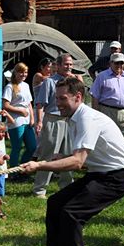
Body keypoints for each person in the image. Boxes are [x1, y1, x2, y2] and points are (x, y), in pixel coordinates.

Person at [20, 77, 124, 246]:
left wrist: (40, 165)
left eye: (63, 98)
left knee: (71, 214)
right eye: (56, 98)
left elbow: (77, 162)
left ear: (78, 97)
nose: (58, 103)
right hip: (99, 174)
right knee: (55, 204)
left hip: (115, 178)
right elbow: (81, 156)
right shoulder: (74, 117)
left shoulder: (86, 119)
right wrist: (61, 155)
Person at [32, 54, 76, 198]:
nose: (69, 67)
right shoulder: (49, 82)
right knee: (48, 155)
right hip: (53, 120)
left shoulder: (73, 83)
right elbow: (40, 104)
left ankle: (67, 187)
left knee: (69, 155)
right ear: (58, 65)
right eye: (66, 64)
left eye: (70, 64)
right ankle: (40, 189)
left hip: (70, 120)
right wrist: (39, 122)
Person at [91, 52, 124, 139]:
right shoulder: (102, 76)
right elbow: (95, 97)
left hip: (123, 113)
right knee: (106, 137)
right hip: (106, 111)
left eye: (121, 63)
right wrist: (96, 117)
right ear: (110, 63)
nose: (119, 65)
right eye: (116, 63)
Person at [2, 62, 36, 172]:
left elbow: (29, 103)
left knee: (32, 147)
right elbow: (5, 105)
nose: (23, 74)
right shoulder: (10, 86)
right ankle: (13, 171)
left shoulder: (26, 85)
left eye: (25, 72)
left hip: (27, 121)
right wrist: (20, 111)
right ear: (15, 72)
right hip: (16, 121)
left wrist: (32, 118)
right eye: (21, 72)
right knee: (17, 148)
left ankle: (22, 167)